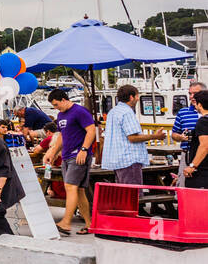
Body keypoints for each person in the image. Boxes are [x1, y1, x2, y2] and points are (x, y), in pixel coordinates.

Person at [41, 88, 96, 234]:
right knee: (79, 190)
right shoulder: (60, 115)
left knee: (70, 187)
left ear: (64, 100)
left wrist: (84, 150)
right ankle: (89, 224)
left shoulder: (79, 111)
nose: (55, 107)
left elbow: (91, 130)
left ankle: (66, 222)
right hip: (66, 155)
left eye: (56, 104)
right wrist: (52, 152)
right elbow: (62, 136)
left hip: (78, 154)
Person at [102, 84, 159, 185]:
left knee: (123, 195)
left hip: (117, 160)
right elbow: (132, 137)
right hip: (129, 160)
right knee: (133, 195)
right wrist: (155, 136)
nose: (138, 99)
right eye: (137, 96)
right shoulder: (127, 112)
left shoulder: (113, 111)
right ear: (131, 97)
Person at [172, 80, 206, 182]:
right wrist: (180, 137)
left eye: (195, 93)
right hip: (187, 154)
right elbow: (174, 134)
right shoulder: (183, 113)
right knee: (183, 184)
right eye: (190, 93)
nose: (191, 96)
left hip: (205, 155)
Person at [181, 90, 208, 188]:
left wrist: (193, 166)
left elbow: (204, 145)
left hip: (203, 170)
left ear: (200, 104)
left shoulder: (203, 121)